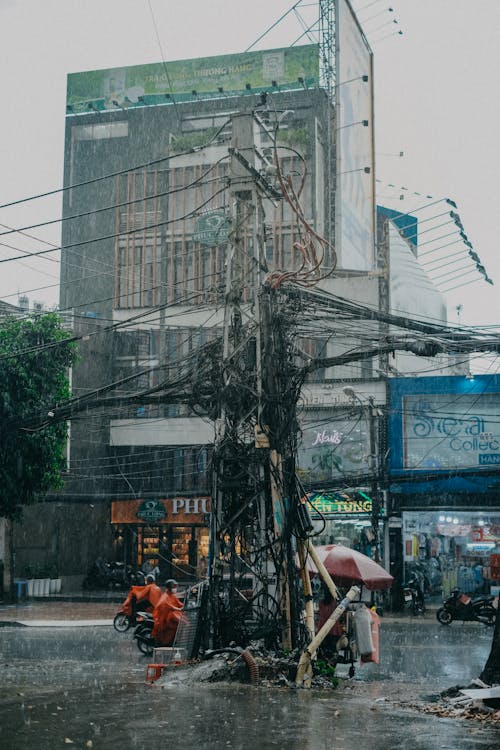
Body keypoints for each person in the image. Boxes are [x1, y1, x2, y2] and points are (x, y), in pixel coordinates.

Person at [151, 579, 185, 646]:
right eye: (173, 587)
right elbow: (167, 606)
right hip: (165, 620)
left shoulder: (172, 595)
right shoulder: (165, 597)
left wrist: (184, 606)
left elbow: (178, 603)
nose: (175, 588)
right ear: (169, 588)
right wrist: (178, 609)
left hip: (173, 615)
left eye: (175, 587)